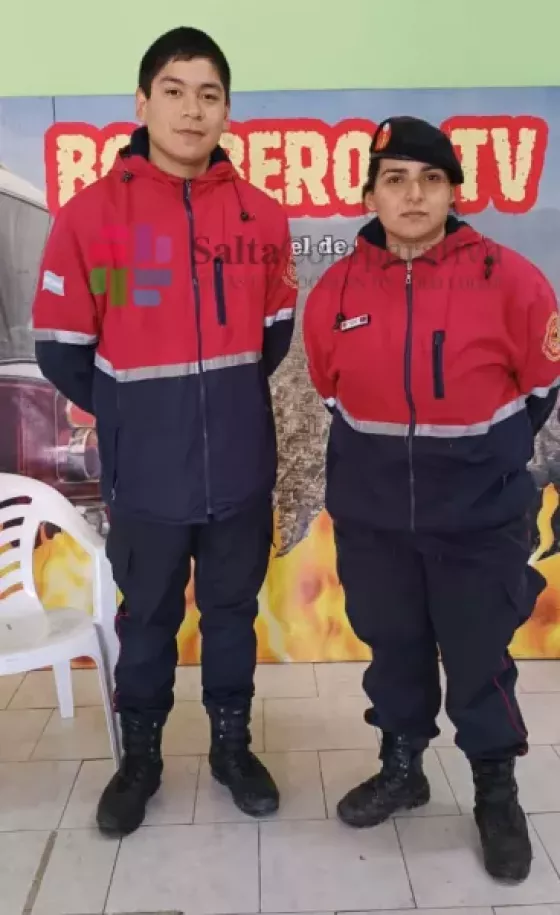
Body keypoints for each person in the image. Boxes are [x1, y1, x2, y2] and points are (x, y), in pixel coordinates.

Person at [31, 26, 297, 836]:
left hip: (241, 471)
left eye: (209, 94)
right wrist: (140, 415)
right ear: (142, 102)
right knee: (143, 619)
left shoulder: (261, 218)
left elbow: (273, 336)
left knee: (231, 613)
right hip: (145, 473)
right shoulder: (91, 219)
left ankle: (229, 746)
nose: (192, 109)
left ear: (226, 112)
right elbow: (63, 351)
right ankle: (140, 757)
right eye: (175, 91)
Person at [303, 115, 560, 883]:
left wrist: (482, 462)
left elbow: (543, 391)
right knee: (396, 654)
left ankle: (496, 791)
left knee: (480, 661)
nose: (413, 195)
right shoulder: (337, 291)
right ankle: (403, 766)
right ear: (372, 194)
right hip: (375, 524)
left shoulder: (512, 279)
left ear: (453, 190)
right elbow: (328, 389)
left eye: (430, 179)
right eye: (395, 179)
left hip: (480, 522)